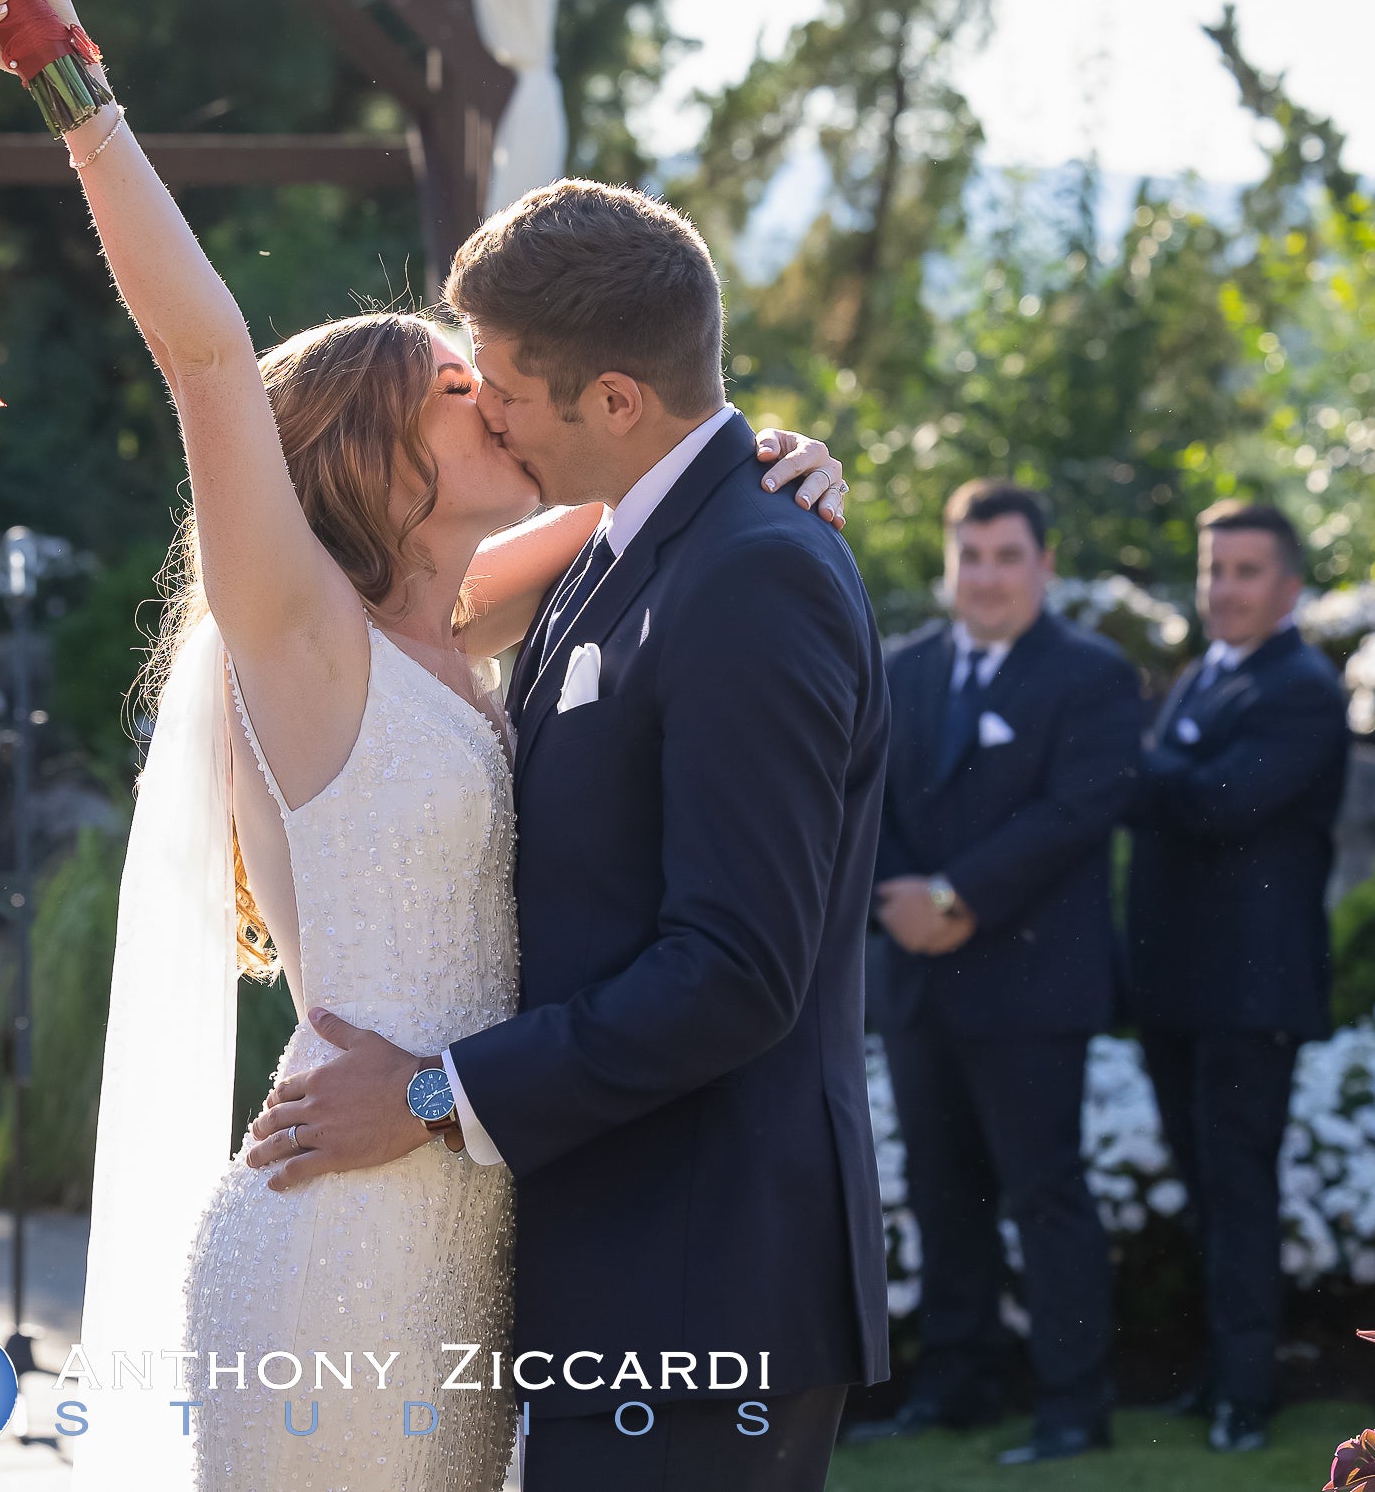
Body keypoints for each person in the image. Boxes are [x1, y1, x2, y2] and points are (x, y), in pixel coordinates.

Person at [0, 0, 856, 1492]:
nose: (492, 397)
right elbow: (207, 356)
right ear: (368, 447)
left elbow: (664, 471)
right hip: (341, 1232)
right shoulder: (306, 638)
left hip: (480, 1225)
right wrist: (67, 80)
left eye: (493, 377)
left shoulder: (476, 619)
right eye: (453, 386)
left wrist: (781, 455)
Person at [228, 189, 892, 1492]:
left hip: (704, 1290)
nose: (487, 415)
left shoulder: (751, 570)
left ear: (613, 401)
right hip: (611, 1269)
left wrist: (428, 1097)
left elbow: (735, 970)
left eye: (507, 392)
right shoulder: (616, 554)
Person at [849, 479, 1142, 1466]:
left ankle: (1071, 1404)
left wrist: (956, 897)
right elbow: (865, 798)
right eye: (969, 556)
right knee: (939, 1191)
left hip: (1028, 980)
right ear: (948, 564)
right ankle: (957, 1382)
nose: (985, 576)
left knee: (1042, 1194)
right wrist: (896, 894)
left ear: (1043, 565)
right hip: (916, 979)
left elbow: (1077, 809)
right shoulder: (900, 669)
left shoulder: (1092, 674)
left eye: (1006, 556)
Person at [1125, 500, 1348, 1456]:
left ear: (1290, 586)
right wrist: (1164, 761)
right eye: (1215, 569)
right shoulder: (1203, 679)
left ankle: (1249, 1393)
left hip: (1251, 991)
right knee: (1208, 1187)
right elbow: (1175, 788)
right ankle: (1219, 1373)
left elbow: (1223, 800)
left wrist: (1144, 758)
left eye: (1247, 571)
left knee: (1240, 1187)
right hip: (1179, 984)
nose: (1224, 589)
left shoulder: (1301, 685)